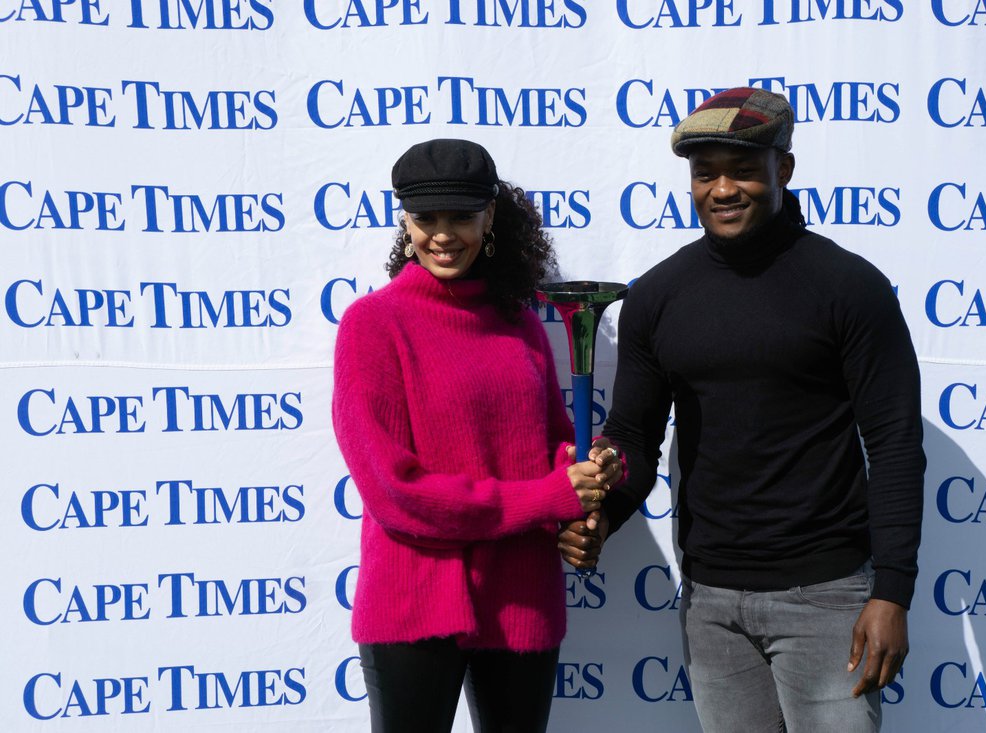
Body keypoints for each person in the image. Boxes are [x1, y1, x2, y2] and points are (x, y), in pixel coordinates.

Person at [558, 88, 926, 732]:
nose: (723, 189)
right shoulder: (659, 296)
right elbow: (635, 437)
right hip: (709, 602)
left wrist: (892, 591)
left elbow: (894, 443)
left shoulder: (849, 287)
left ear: (785, 169)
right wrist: (603, 515)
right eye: (705, 174)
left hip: (828, 595)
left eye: (744, 170)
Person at [332, 138, 621, 733]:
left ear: (489, 216)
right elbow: (395, 491)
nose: (442, 235)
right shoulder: (373, 324)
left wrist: (591, 466)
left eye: (461, 217)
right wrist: (552, 496)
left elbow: (552, 445)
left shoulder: (520, 322)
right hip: (413, 603)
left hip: (521, 594)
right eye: (425, 218)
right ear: (404, 221)